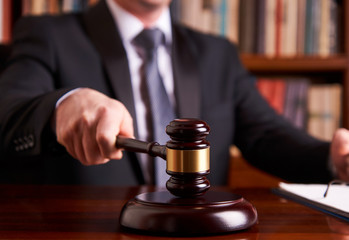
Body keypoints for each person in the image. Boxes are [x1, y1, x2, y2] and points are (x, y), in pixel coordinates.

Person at [0, 0, 348, 185]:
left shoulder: (217, 52)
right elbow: (8, 112)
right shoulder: (48, 34)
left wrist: (334, 159)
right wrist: (64, 104)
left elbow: (268, 136)